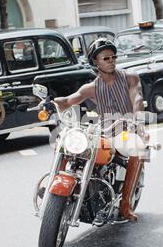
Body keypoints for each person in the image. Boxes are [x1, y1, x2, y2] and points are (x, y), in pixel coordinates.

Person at [51, 38, 146, 222]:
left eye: (113, 57)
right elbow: (69, 100)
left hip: (125, 129)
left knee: (138, 149)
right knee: (66, 143)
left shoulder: (130, 78)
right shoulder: (91, 87)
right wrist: (52, 102)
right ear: (95, 61)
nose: (111, 60)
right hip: (103, 130)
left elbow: (137, 99)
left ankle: (125, 205)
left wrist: (137, 119)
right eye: (105, 58)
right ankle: (52, 185)